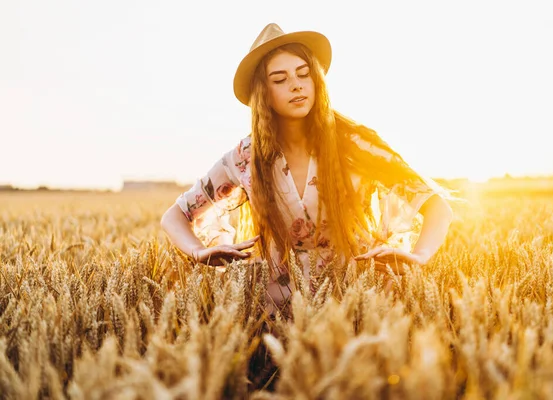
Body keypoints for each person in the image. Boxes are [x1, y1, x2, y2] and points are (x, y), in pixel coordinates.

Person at [160, 23, 454, 313]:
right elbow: (175, 215)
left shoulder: (355, 144)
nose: (297, 85)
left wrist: (421, 255)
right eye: (280, 79)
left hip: (361, 304)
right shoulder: (246, 156)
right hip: (275, 313)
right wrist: (198, 252)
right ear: (263, 92)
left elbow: (435, 205)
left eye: (304, 74)